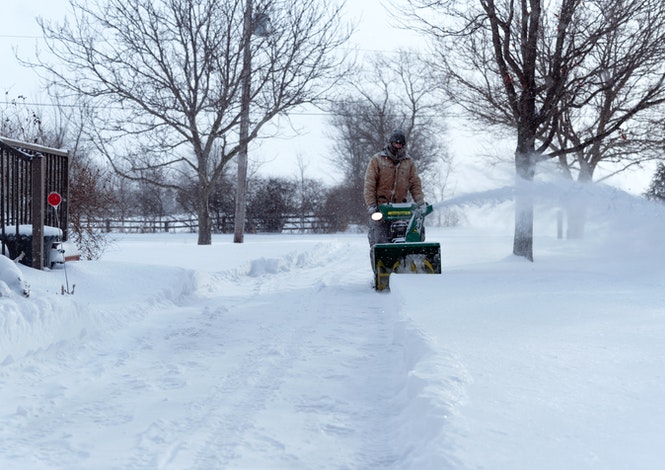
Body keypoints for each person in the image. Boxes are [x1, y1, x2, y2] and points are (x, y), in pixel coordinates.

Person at [363, 128, 425, 247]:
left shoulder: (408, 162)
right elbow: (369, 185)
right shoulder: (377, 160)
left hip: (402, 208)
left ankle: (415, 255)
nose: (398, 145)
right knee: (379, 240)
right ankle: (381, 262)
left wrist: (420, 202)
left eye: (400, 143)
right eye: (395, 143)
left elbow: (415, 184)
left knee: (417, 231)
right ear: (390, 142)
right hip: (381, 209)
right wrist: (372, 206)